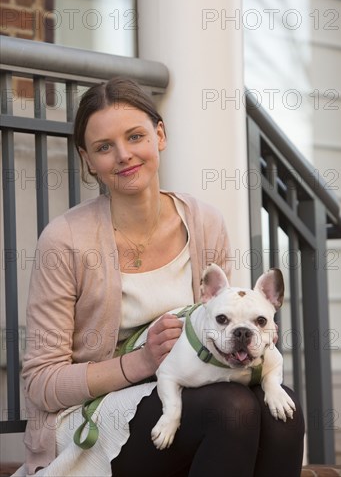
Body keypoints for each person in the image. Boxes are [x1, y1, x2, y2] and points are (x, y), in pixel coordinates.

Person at [18, 78, 304, 477]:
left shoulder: (205, 222)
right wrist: (140, 362)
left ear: (160, 134)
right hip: (91, 417)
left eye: (135, 136)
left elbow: (223, 320)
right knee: (232, 410)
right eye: (104, 147)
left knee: (282, 410)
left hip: (190, 392)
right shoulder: (64, 241)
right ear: (87, 159)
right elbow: (40, 383)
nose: (123, 155)